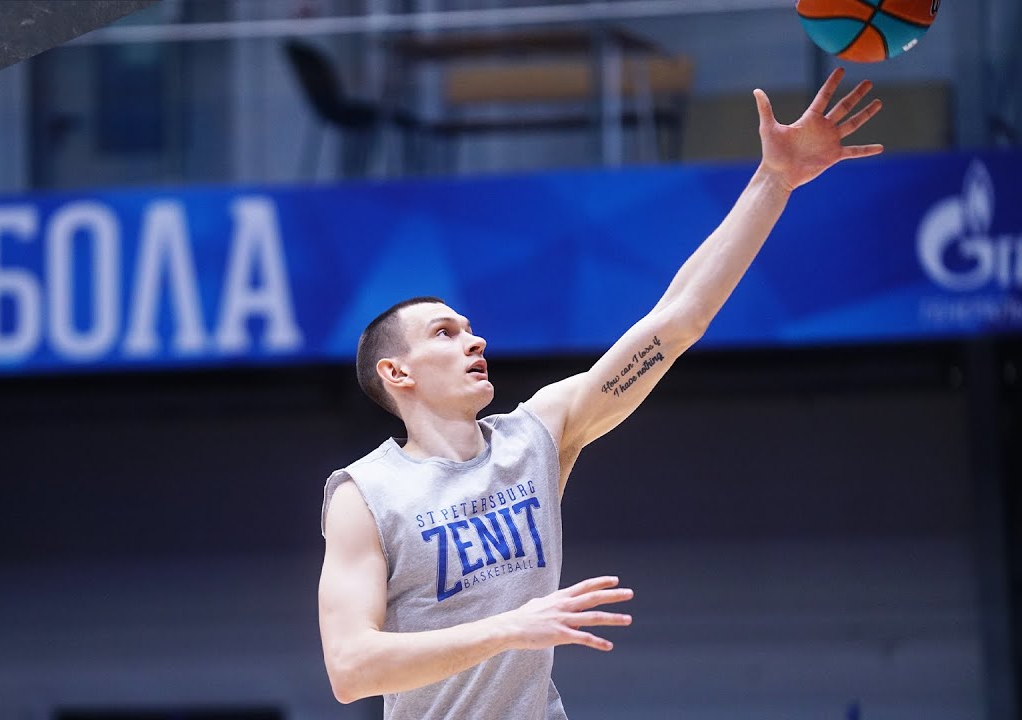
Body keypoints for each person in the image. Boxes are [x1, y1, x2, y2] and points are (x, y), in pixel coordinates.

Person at [318, 68, 883, 719]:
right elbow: (351, 669)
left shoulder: (536, 436)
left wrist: (774, 181)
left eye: (471, 329)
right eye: (445, 333)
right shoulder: (365, 493)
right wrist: (508, 628)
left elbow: (677, 321)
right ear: (397, 374)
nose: (474, 341)